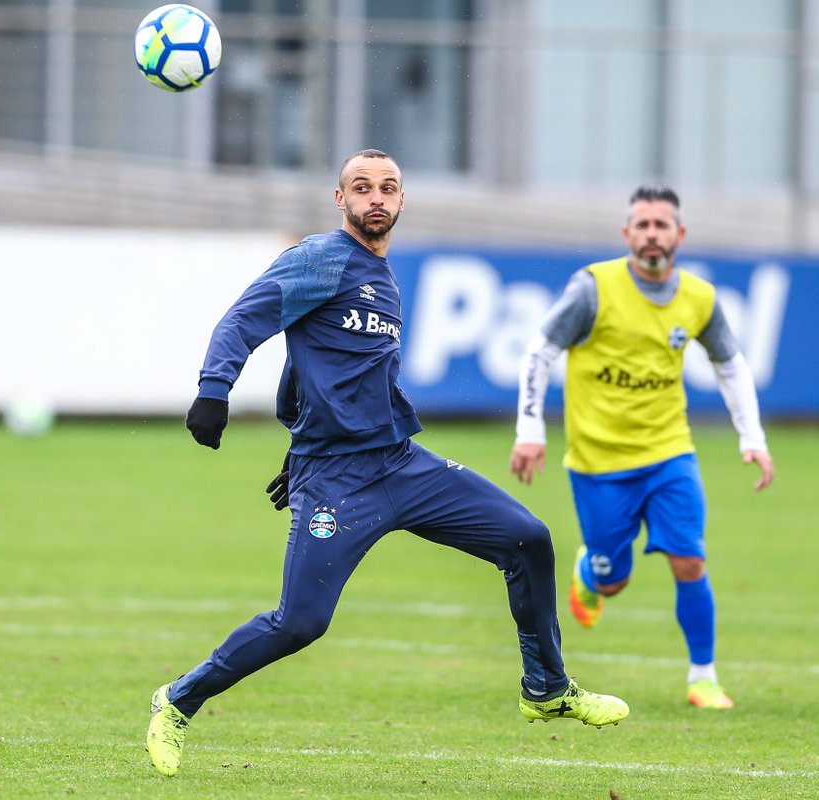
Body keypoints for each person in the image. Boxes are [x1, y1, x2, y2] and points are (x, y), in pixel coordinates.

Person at [145, 150, 629, 778]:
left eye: (388, 188)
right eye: (362, 187)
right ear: (340, 199)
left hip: (402, 465)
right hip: (339, 483)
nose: (376, 197)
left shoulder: (384, 278)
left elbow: (325, 370)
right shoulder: (321, 258)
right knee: (301, 622)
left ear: (402, 201)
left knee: (528, 539)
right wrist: (215, 390)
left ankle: (546, 688)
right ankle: (178, 700)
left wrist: (299, 437)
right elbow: (244, 318)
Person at [509, 184, 774, 710]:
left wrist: (753, 437)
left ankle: (703, 677)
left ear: (680, 234)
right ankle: (592, 573)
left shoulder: (699, 298)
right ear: (627, 233)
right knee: (614, 582)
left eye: (662, 225)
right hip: (598, 464)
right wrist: (530, 429)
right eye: (643, 225)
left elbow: (730, 365)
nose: (653, 234)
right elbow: (540, 351)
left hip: (669, 453)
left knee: (689, 560)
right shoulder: (593, 289)